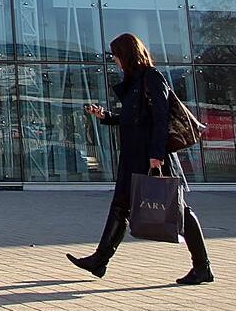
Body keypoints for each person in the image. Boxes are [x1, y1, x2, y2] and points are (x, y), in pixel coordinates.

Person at [67, 32, 213, 286]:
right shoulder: (134, 82)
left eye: (116, 55)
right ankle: (99, 260)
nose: (114, 60)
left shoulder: (151, 77)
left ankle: (202, 267)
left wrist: (156, 154)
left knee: (179, 209)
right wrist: (106, 116)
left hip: (151, 156)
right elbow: (134, 119)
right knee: (120, 206)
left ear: (127, 54)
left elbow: (161, 117)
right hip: (133, 155)